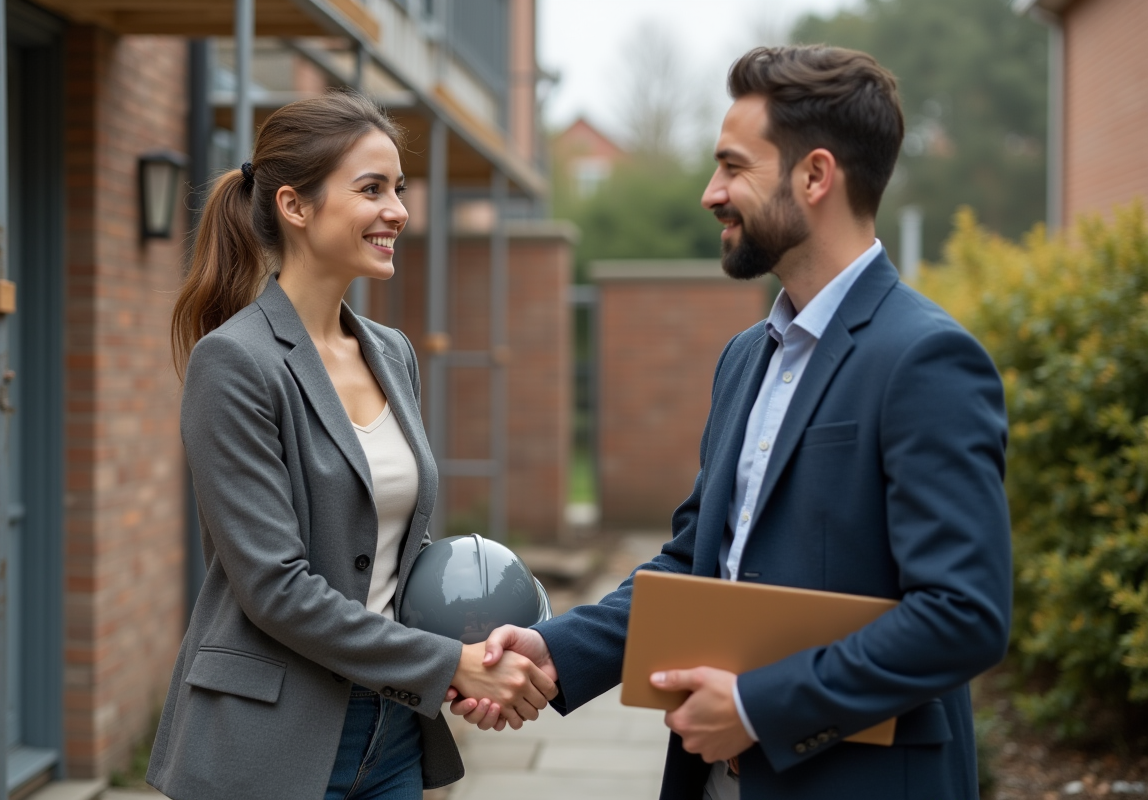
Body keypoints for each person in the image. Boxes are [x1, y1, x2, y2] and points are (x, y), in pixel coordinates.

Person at [453, 45, 1012, 800]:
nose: (712, 193)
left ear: (816, 176)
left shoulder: (927, 360)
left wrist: (758, 706)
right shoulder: (747, 358)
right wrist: (555, 650)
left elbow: (963, 615)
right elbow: (696, 565)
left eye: (733, 166)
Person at [146, 91, 556, 800]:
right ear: (294, 206)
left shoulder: (392, 353)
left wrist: (495, 636)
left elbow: (394, 551)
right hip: (269, 742)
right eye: (372, 189)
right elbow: (275, 587)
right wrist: (448, 663)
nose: (398, 209)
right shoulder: (236, 363)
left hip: (390, 734)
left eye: (399, 188)